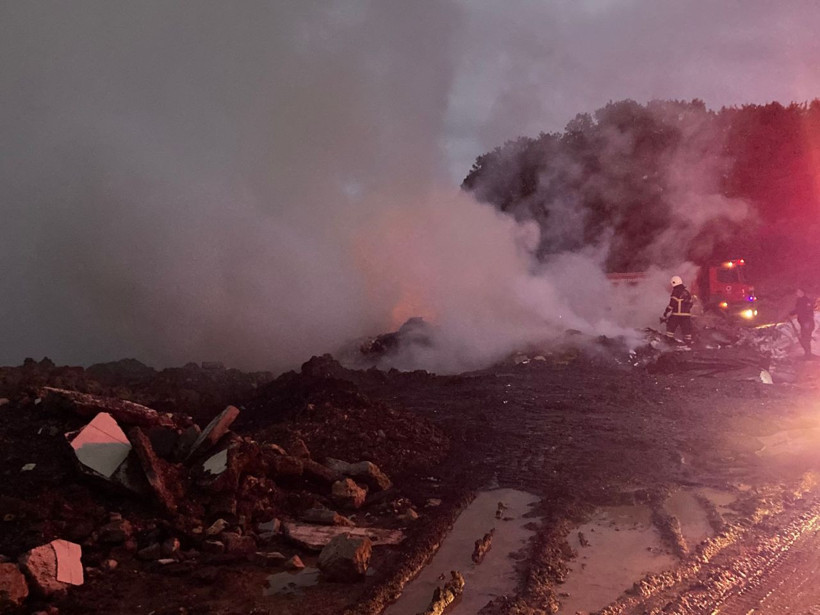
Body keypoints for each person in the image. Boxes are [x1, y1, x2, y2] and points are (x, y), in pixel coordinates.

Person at [660, 275, 693, 344]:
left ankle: (669, 343)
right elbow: (691, 304)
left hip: (676, 315)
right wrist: (686, 310)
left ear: (674, 283)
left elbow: (672, 304)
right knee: (687, 331)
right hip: (687, 315)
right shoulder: (687, 292)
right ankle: (688, 345)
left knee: (670, 328)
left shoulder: (676, 291)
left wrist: (665, 313)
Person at [789, 288, 815, 358]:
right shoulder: (799, 301)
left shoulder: (806, 300)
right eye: (797, 292)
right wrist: (790, 314)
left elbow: (809, 311)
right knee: (804, 338)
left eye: (799, 292)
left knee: (806, 338)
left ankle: (808, 354)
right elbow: (798, 310)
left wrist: (808, 321)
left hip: (807, 322)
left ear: (802, 292)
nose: (797, 294)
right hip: (803, 323)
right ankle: (807, 353)